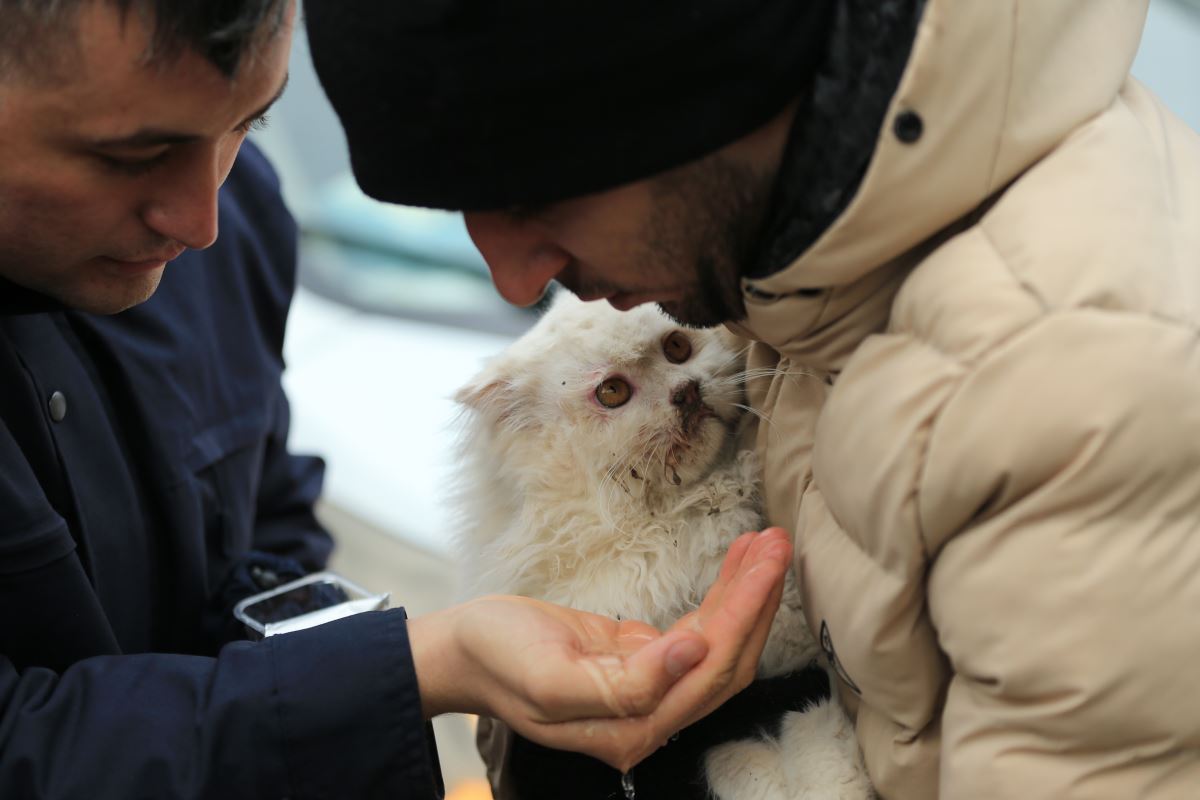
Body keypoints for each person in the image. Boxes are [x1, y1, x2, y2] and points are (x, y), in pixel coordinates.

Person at [304, 0, 1200, 797]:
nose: (512, 281)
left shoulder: (1088, 375)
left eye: (531, 197)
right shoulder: (784, 264)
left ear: (688, 102)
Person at [0, 1, 798, 797]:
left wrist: (357, 665)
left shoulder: (240, 221)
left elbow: (262, 531)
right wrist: (425, 667)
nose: (201, 217)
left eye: (250, 124)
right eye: (133, 155)